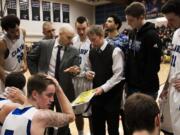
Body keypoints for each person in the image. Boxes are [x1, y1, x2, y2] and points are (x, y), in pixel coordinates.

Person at [27, 24, 80, 135]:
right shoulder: (44, 45)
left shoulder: (74, 51)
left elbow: (77, 69)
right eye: (69, 38)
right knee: (45, 117)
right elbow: (30, 58)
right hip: (45, 89)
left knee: (64, 119)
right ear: (60, 34)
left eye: (72, 38)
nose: (71, 41)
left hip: (63, 90)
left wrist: (75, 70)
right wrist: (36, 76)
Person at [1, 73, 75, 135]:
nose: (52, 100)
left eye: (53, 95)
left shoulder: (9, 110)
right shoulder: (42, 116)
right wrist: (58, 89)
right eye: (49, 95)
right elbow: (71, 116)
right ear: (35, 94)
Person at [86, 25, 125, 135]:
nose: (92, 43)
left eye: (94, 39)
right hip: (96, 97)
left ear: (101, 36)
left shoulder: (115, 51)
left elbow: (118, 75)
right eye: (90, 40)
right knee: (97, 128)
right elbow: (89, 69)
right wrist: (88, 74)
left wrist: (103, 88)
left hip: (112, 98)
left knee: (113, 129)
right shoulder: (91, 52)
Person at [125, 2, 162, 99]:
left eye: (131, 20)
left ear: (141, 17)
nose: (128, 23)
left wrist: (141, 86)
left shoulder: (152, 35)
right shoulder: (132, 33)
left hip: (146, 90)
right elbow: (129, 58)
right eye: (127, 20)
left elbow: (154, 66)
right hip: (131, 86)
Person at [104, 14, 129, 135]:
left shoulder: (124, 39)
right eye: (106, 21)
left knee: (124, 112)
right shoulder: (104, 40)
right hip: (108, 82)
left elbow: (129, 60)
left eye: (109, 21)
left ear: (117, 25)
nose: (106, 23)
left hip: (122, 81)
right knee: (111, 115)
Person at [161, 1, 180, 135]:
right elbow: (173, 65)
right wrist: (166, 86)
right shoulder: (176, 34)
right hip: (173, 91)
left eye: (171, 19)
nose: (168, 24)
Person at [72, 16, 93, 135]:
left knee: (91, 113)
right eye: (78, 29)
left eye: (83, 28)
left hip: (89, 81)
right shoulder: (73, 41)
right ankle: (80, 133)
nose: (81, 31)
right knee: (77, 112)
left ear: (88, 26)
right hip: (75, 80)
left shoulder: (93, 40)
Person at [0, 15, 27, 93]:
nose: (17, 34)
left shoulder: (23, 32)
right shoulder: (2, 43)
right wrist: (8, 84)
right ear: (6, 31)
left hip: (19, 75)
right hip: (7, 76)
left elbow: (23, 47)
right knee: (9, 103)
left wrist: (25, 62)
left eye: (17, 30)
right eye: (12, 32)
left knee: (23, 101)